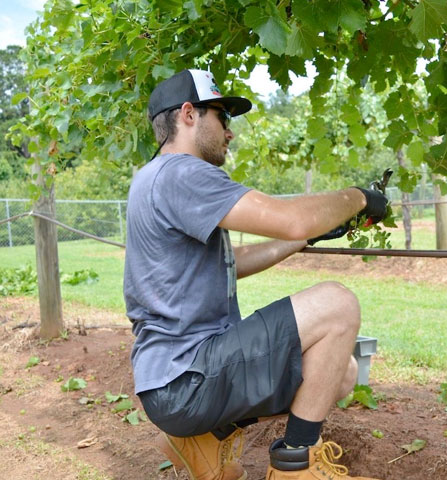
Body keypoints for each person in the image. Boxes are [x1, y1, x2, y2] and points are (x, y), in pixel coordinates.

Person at [124, 69, 388, 480]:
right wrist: (359, 198)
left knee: (341, 372)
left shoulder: (151, 178)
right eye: (222, 118)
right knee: (339, 304)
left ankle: (203, 440)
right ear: (189, 115)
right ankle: (295, 466)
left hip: (171, 381)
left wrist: (307, 238)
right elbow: (290, 218)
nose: (230, 133)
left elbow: (234, 261)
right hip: (186, 377)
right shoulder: (183, 173)